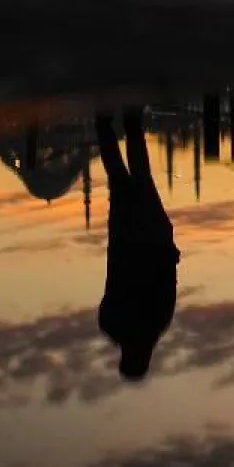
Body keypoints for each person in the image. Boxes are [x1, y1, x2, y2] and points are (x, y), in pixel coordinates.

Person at [96, 108, 180, 380]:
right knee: (118, 180)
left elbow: (168, 282)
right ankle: (104, 125)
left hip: (153, 241)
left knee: (142, 177)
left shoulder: (158, 324)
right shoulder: (112, 326)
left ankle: (132, 122)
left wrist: (170, 253)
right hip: (123, 244)